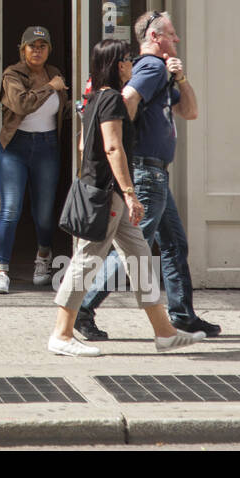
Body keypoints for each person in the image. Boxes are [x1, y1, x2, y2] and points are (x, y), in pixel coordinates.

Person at [47, 39, 204, 356]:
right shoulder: (114, 101)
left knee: (142, 259)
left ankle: (165, 333)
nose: (133, 65)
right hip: (109, 195)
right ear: (120, 65)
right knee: (87, 261)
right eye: (129, 60)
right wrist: (130, 193)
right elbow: (113, 147)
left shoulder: (94, 99)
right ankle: (61, 335)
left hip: (103, 191)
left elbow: (83, 146)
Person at [74, 10, 219, 341]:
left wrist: (181, 78)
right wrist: (121, 145)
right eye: (171, 34)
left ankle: (182, 315)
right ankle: (83, 307)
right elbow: (125, 101)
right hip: (146, 172)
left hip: (156, 174)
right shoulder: (151, 67)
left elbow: (190, 111)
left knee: (173, 245)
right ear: (155, 37)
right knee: (131, 249)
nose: (177, 39)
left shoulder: (163, 72)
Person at [0, 26, 68, 293]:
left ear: (49, 50)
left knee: (45, 213)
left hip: (47, 146)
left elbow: (63, 109)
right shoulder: (13, 74)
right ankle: (1, 270)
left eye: (42, 46)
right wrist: (50, 88)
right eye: (32, 46)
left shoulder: (55, 73)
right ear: (22, 49)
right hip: (16, 147)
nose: (37, 51)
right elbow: (22, 104)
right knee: (11, 209)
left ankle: (43, 258)